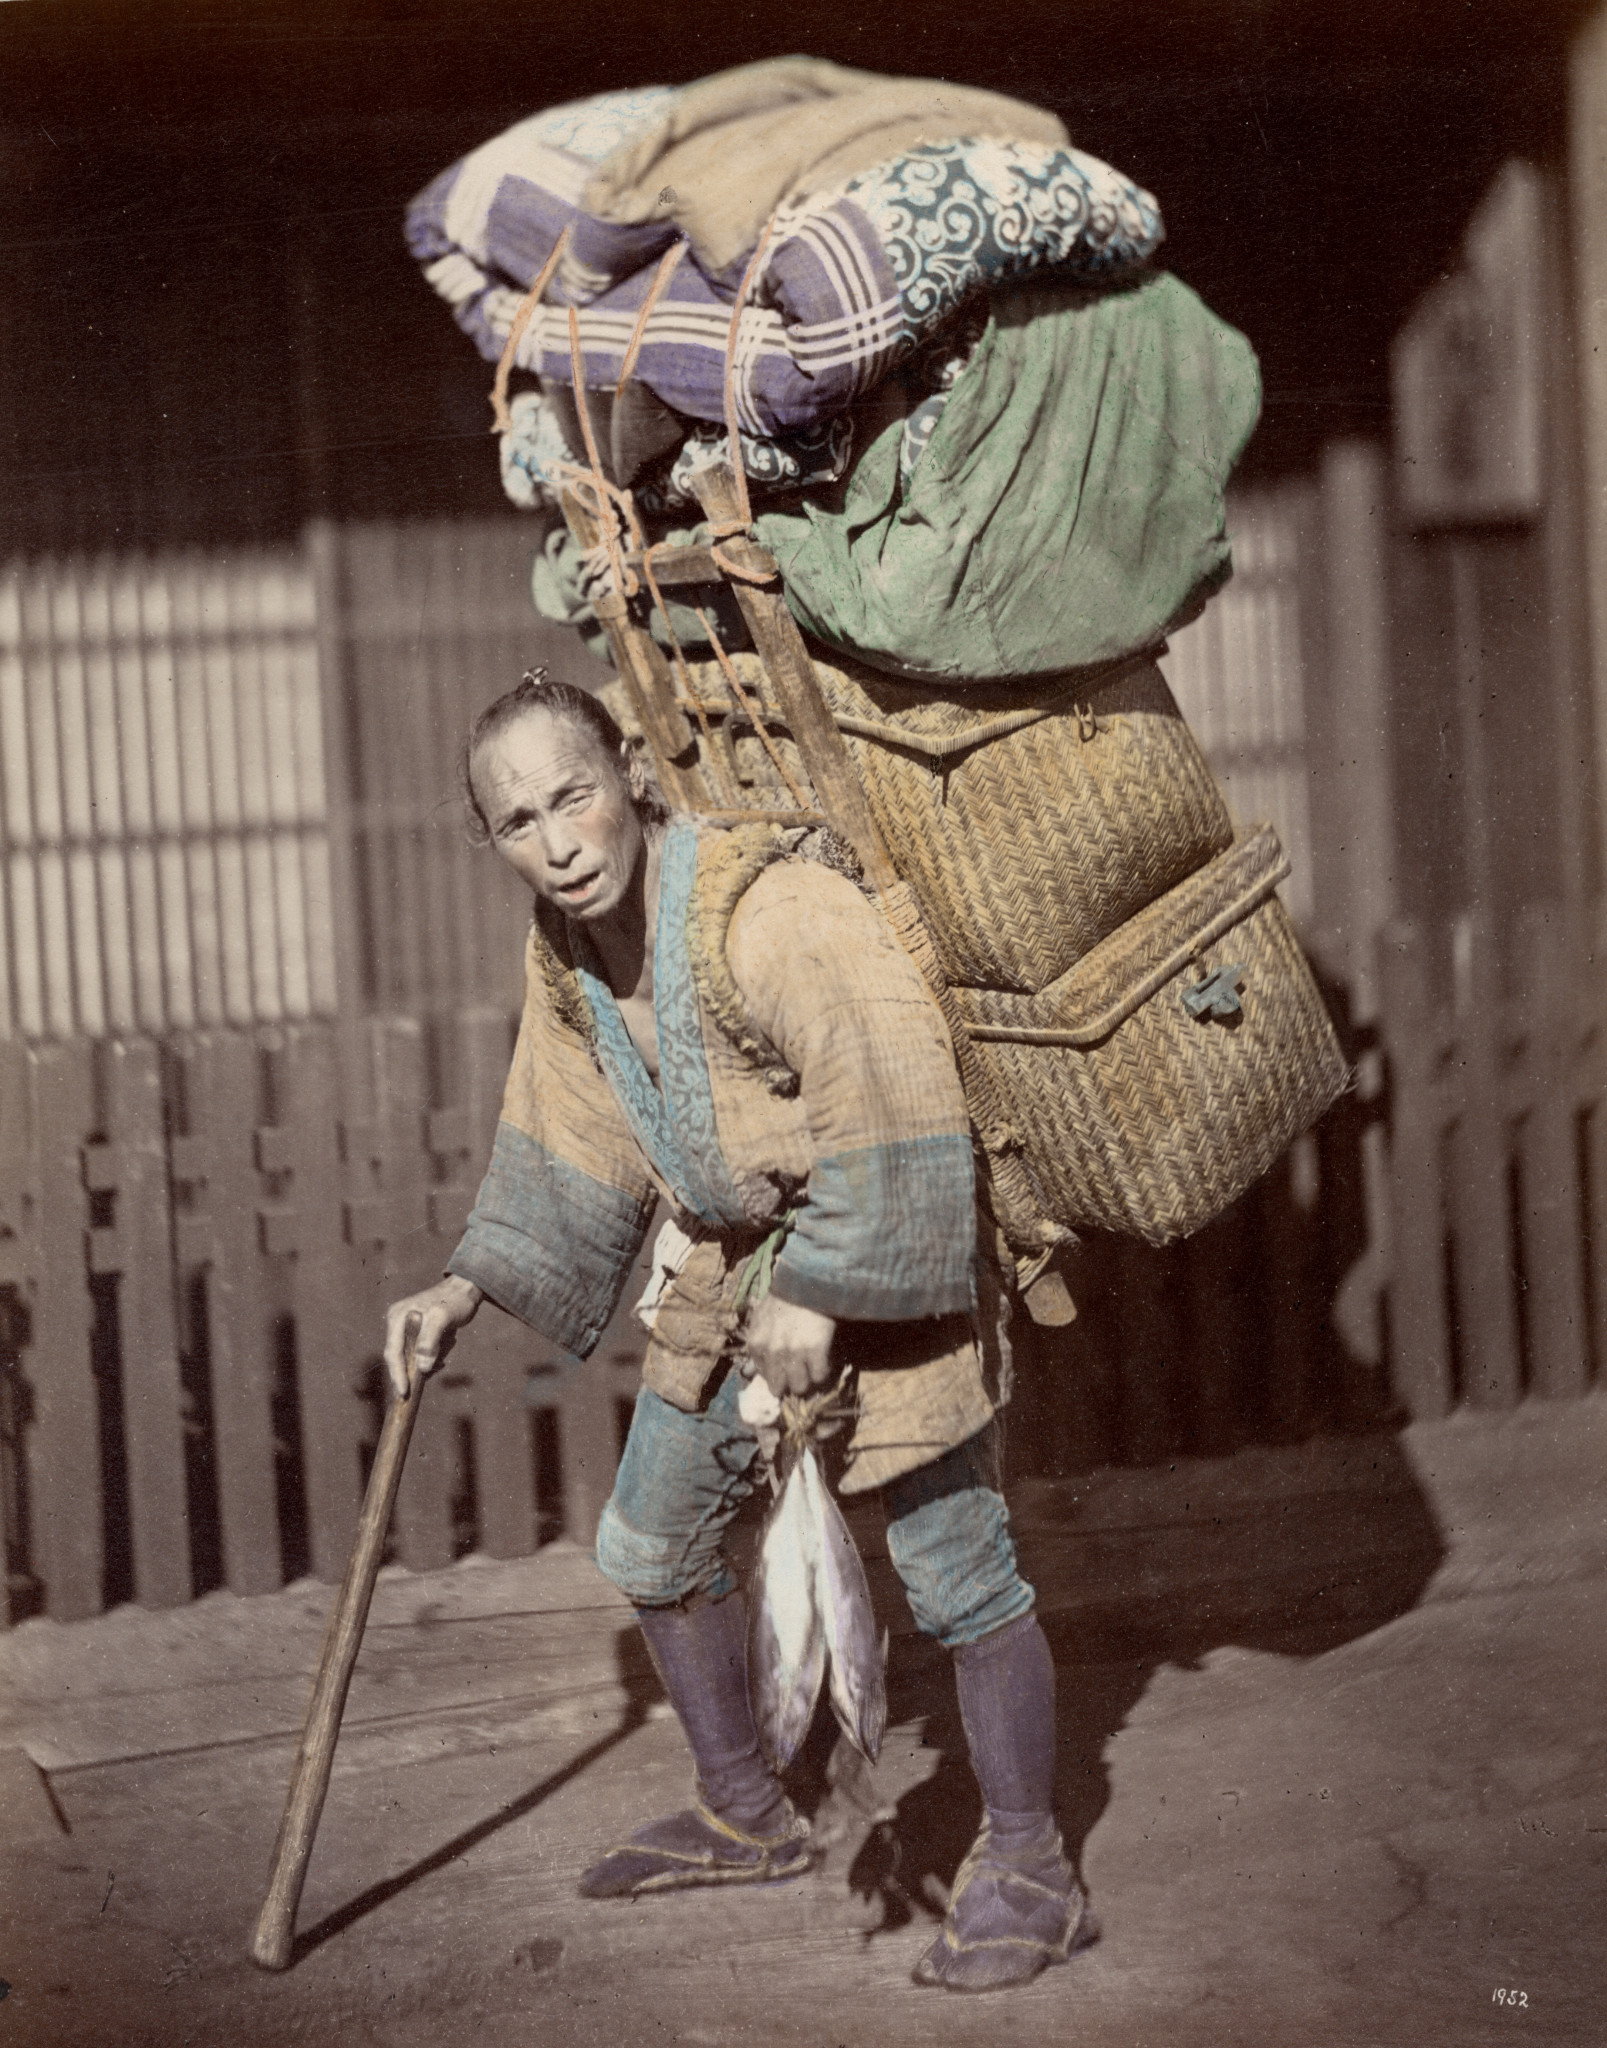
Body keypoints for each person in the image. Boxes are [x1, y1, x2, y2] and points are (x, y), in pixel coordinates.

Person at [383, 670, 1096, 1993]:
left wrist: (821, 1291)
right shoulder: (565, 953)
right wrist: (461, 1287)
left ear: (629, 773)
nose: (558, 844)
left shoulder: (769, 909)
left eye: (574, 797)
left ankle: (1032, 1865)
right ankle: (747, 1811)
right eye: (519, 821)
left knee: (956, 1571)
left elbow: (895, 1089)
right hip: (733, 1262)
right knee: (649, 1539)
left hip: (887, 1230)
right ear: (489, 838)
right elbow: (564, 1126)